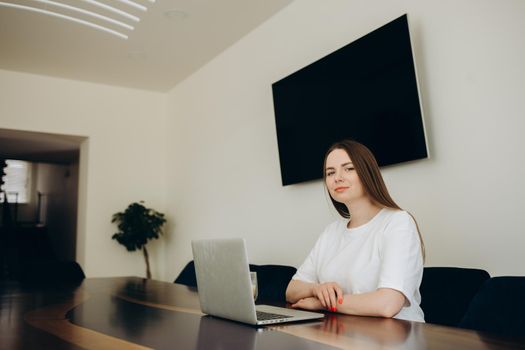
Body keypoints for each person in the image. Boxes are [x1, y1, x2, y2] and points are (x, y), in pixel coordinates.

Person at [286, 139, 425, 322]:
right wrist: (316, 289)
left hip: (396, 339)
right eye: (330, 172)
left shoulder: (398, 222)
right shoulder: (331, 232)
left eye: (349, 168)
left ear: (368, 172)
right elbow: (291, 290)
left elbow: (388, 304)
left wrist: (324, 303)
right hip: (344, 334)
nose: (338, 177)